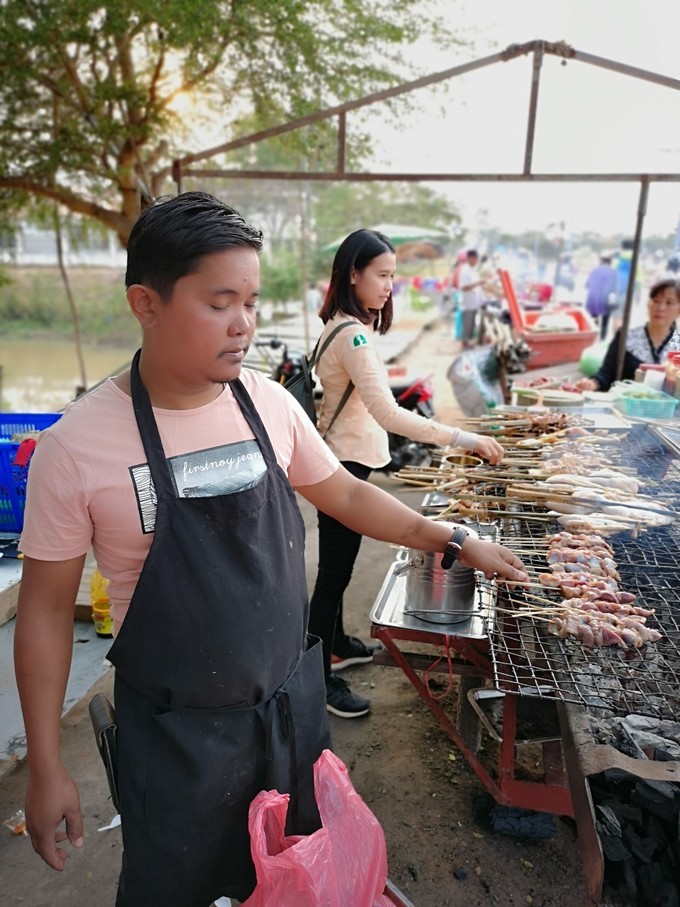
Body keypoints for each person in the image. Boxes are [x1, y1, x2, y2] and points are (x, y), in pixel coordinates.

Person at [14, 194, 527, 906]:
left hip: (290, 716)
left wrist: (454, 538)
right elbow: (43, 612)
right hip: (176, 740)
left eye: (251, 301)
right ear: (146, 303)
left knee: (294, 876)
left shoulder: (267, 403)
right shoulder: (75, 447)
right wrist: (46, 766)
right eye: (219, 302)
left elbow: (345, 495)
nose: (244, 324)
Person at [308, 229, 507, 720]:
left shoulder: (340, 324)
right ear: (352, 274)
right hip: (342, 465)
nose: (389, 286)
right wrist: (463, 438)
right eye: (381, 275)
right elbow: (389, 414)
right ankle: (316, 679)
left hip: (341, 458)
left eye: (392, 276)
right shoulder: (353, 335)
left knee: (340, 566)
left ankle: (337, 644)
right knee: (334, 574)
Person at [576, 278, 680, 392]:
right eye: (656, 301)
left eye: (669, 303)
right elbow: (606, 374)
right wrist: (592, 384)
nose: (660, 308)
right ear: (648, 304)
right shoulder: (626, 337)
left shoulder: (677, 343)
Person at [584, 254, 617, 341]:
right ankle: (602, 339)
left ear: (601, 262)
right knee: (605, 321)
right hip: (606, 299)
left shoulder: (594, 270)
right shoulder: (613, 272)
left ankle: (593, 338)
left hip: (593, 298)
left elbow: (587, 285)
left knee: (594, 319)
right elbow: (615, 287)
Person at [458, 248, 485, 348]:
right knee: (468, 324)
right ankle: (465, 343)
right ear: (471, 258)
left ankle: (467, 342)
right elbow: (463, 287)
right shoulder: (465, 271)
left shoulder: (472, 270)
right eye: (476, 259)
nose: (477, 261)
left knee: (472, 323)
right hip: (468, 302)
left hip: (474, 302)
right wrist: (478, 283)